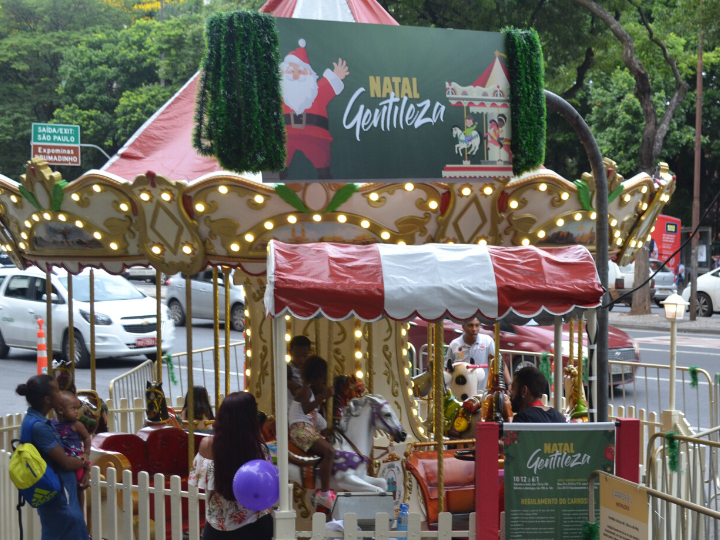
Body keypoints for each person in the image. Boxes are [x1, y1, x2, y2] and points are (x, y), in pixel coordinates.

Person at [189, 392, 273, 540]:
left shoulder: (207, 445)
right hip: (254, 526)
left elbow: (204, 486)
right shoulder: (259, 449)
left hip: (217, 527)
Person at [16, 375, 90, 540]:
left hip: (58, 494)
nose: (60, 392)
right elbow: (65, 462)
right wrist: (85, 463)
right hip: (62, 495)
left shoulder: (32, 420)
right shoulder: (39, 427)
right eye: (57, 389)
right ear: (48, 399)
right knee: (70, 530)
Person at [289, 355, 335, 509]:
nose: (325, 385)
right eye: (323, 382)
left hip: (307, 428)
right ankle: (324, 493)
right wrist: (324, 396)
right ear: (314, 380)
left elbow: (323, 424)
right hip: (299, 429)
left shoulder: (315, 406)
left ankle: (323, 484)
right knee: (329, 451)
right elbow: (306, 408)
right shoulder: (305, 391)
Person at [445, 318, 511, 394]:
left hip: (482, 393)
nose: (474, 329)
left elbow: (500, 363)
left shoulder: (487, 341)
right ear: (463, 326)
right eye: (470, 325)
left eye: (477, 325)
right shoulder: (454, 345)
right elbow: (447, 369)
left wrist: (509, 383)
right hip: (461, 393)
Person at [52, 391, 92, 507]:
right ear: (61, 410)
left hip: (77, 459)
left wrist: (86, 453)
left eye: (77, 408)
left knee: (79, 486)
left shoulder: (76, 424)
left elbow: (86, 438)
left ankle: (80, 511)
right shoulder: (51, 423)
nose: (76, 412)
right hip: (61, 460)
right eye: (73, 408)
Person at [287, 335, 312, 406]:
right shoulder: (289, 368)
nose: (301, 359)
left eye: (304, 356)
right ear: (291, 352)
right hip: (292, 406)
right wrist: (287, 383)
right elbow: (277, 381)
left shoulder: (310, 369)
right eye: (297, 355)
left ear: (309, 353)